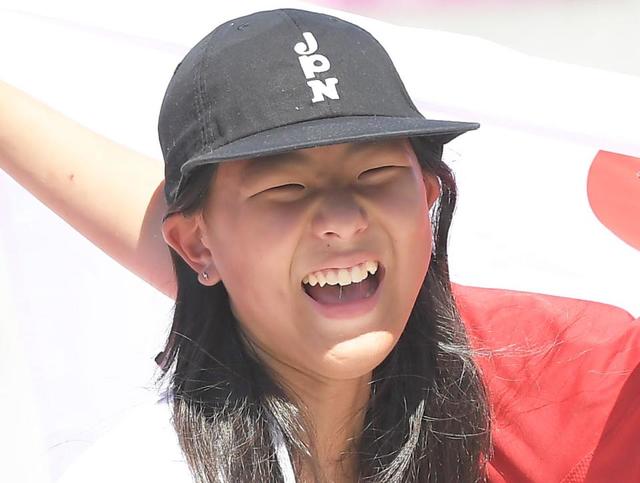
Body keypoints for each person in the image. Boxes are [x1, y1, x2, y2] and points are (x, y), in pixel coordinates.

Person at [1, 7, 638, 483]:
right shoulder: (145, 466)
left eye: (376, 173)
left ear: (428, 196)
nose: (342, 220)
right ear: (196, 245)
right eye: (284, 187)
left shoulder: (557, 372)